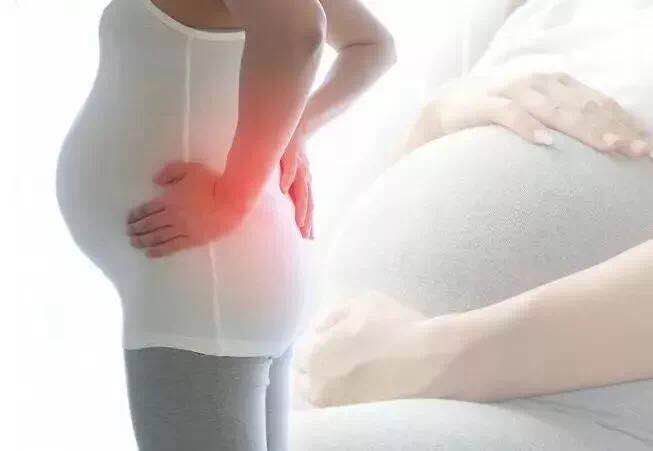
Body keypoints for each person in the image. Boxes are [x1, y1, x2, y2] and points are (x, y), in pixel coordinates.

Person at [293, 0, 653, 449]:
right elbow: (381, 199)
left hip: (572, 413)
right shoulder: (525, 10)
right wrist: (442, 120)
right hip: (343, 371)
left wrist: (430, 356)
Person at [55, 0, 395, 450]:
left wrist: (230, 197)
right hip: (213, 276)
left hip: (204, 278)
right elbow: (370, 46)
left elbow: (298, 31)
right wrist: (293, 130)